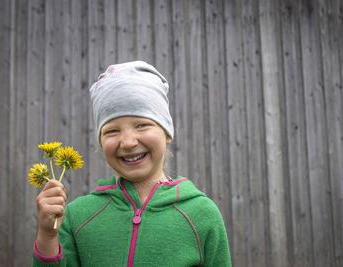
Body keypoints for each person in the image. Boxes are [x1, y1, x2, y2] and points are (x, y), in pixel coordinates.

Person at [32, 61, 232, 266]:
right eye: (112, 130)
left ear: (167, 132)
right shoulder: (77, 217)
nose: (128, 142)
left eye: (142, 125)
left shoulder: (202, 214)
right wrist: (47, 237)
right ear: (100, 142)